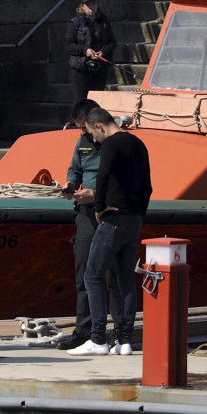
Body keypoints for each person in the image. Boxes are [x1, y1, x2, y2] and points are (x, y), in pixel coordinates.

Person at [68, 107, 151, 356]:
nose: (93, 139)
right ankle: (123, 341)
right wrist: (139, 214)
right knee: (125, 279)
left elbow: (102, 177)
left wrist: (100, 207)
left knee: (92, 276)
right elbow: (148, 186)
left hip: (113, 219)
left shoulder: (111, 144)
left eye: (93, 133)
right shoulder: (138, 144)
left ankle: (97, 339)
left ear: (100, 127)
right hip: (134, 219)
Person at [56, 99, 122, 353]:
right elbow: (75, 169)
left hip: (111, 213)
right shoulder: (83, 141)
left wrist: (96, 195)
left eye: (85, 128)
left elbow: (120, 182)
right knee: (84, 273)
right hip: (85, 215)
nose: (84, 135)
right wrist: (71, 185)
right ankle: (85, 331)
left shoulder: (115, 144)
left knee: (113, 275)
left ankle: (119, 332)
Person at [65, 0, 116, 103]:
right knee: (81, 101)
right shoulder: (75, 22)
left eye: (94, 3)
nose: (91, 7)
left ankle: (94, 120)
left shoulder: (104, 21)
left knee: (96, 101)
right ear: (82, 6)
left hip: (100, 66)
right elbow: (68, 45)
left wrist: (103, 51)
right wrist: (85, 50)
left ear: (98, 5)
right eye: (88, 4)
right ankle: (75, 121)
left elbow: (112, 42)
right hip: (81, 67)